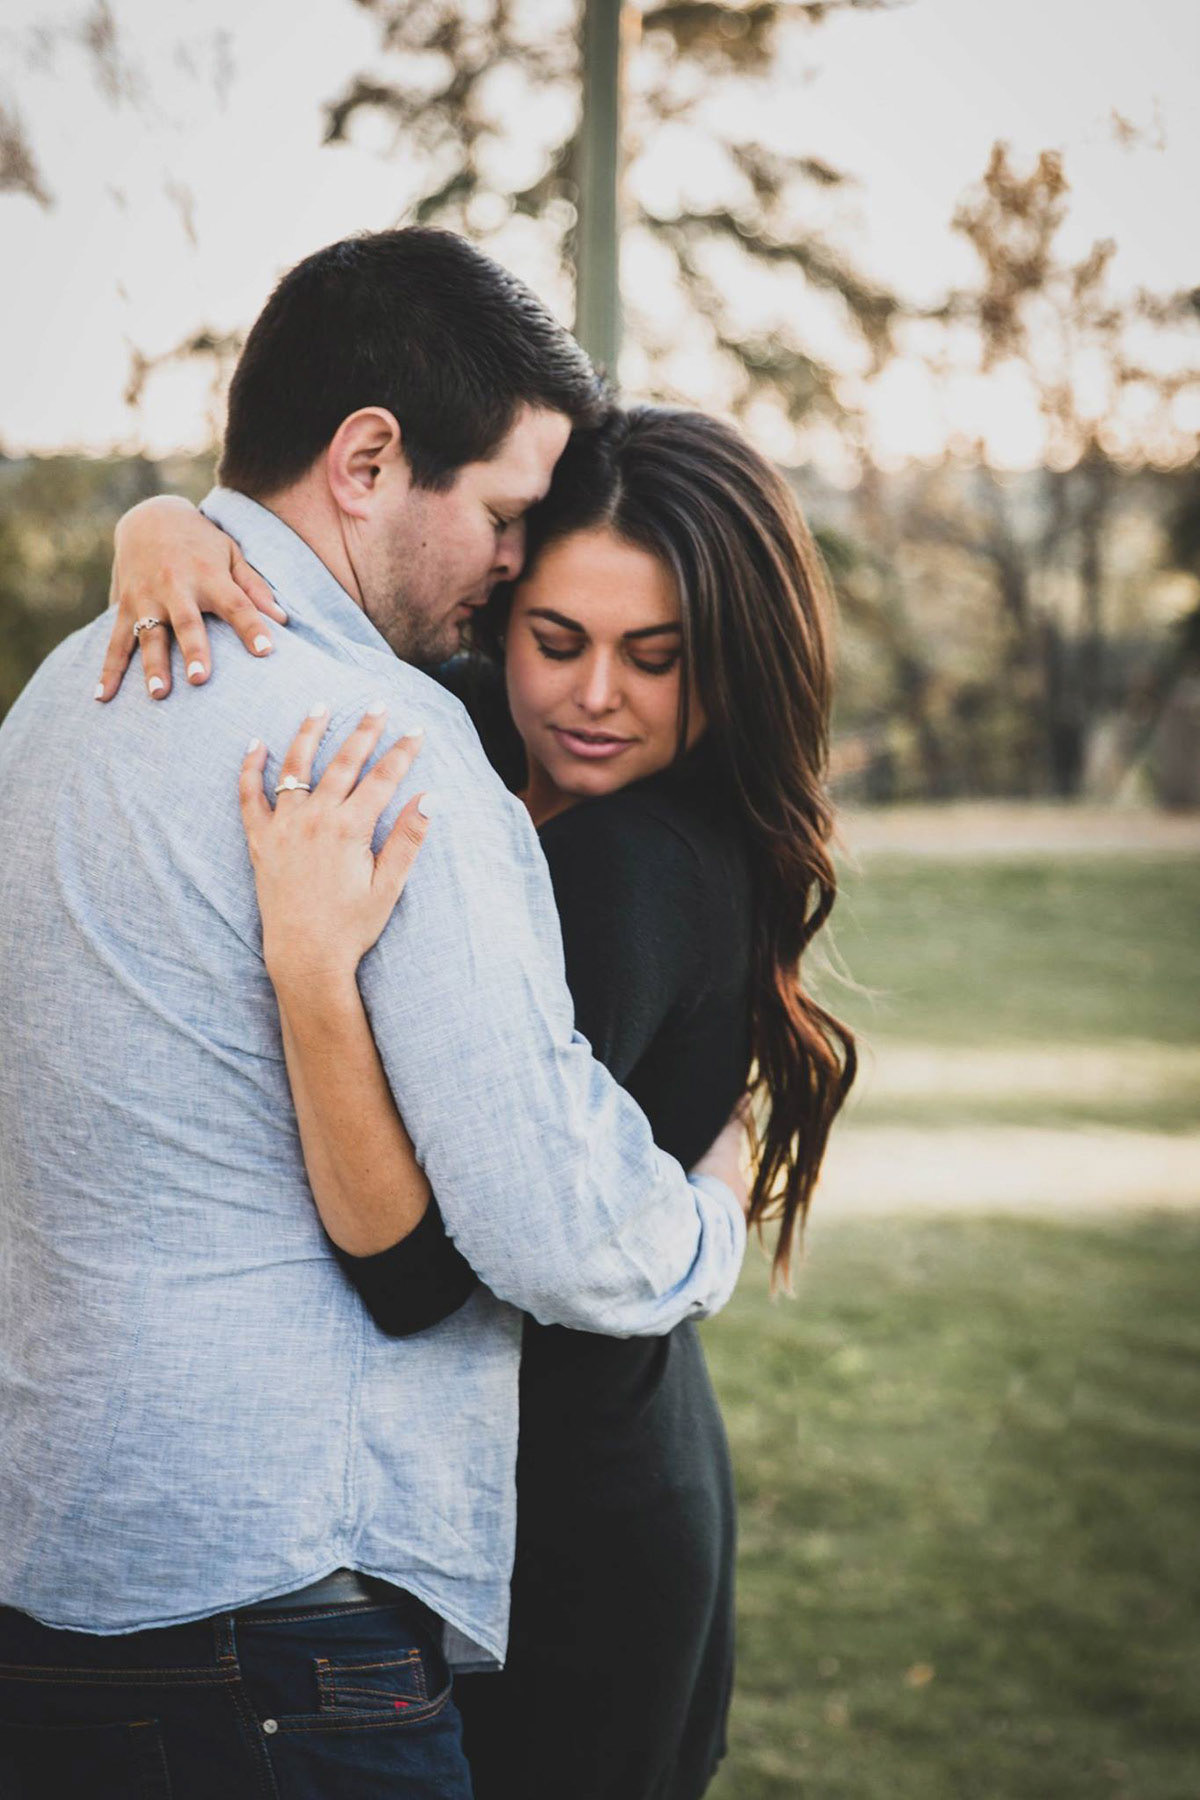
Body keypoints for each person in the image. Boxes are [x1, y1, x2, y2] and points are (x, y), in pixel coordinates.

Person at [0, 230, 751, 1800]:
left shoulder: (56, 708)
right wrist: (710, 1222)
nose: (508, 560)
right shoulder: (391, 743)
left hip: (45, 1592)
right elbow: (548, 1227)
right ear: (365, 460)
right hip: (286, 1625)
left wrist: (159, 517)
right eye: (498, 516)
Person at [99, 404, 858, 1798]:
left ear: (727, 666)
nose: (595, 698)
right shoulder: (472, 747)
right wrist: (158, 530)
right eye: (558, 641)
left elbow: (411, 1272)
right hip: (590, 1467)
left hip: (567, 1534)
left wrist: (312, 974)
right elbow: (323, 592)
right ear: (501, 615)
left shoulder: (630, 863)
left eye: (657, 658)